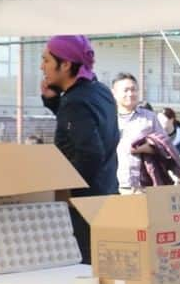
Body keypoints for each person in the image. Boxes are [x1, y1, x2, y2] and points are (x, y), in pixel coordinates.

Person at [39, 35, 121, 263]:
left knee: (85, 274)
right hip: (107, 195)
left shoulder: (75, 102)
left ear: (65, 64)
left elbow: (90, 153)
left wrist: (63, 190)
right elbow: (82, 131)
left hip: (84, 207)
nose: (41, 66)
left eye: (46, 60)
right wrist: (55, 102)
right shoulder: (100, 91)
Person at [111, 72, 156, 191]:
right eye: (125, 90)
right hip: (113, 185)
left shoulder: (150, 118)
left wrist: (146, 148)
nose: (130, 94)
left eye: (133, 89)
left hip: (143, 186)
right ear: (114, 93)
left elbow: (165, 148)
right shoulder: (106, 117)